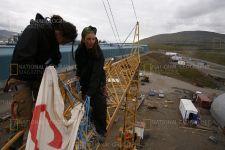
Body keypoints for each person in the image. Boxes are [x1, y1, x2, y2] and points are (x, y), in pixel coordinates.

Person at [5, 13, 78, 149]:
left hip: (37, 77)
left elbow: (56, 57)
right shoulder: (34, 30)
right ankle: (13, 145)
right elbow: (22, 60)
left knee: (46, 108)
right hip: (21, 77)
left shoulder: (53, 39)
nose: (62, 44)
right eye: (64, 42)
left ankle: (39, 140)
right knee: (23, 115)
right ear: (60, 33)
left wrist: (50, 68)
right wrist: (43, 70)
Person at [75, 26, 107, 143]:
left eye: (93, 39)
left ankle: (101, 131)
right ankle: (91, 121)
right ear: (83, 39)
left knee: (100, 105)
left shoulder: (98, 53)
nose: (91, 42)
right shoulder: (79, 51)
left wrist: (90, 93)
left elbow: (96, 75)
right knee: (87, 107)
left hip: (97, 82)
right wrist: (78, 76)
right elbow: (79, 66)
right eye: (88, 39)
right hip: (85, 82)